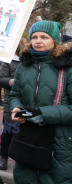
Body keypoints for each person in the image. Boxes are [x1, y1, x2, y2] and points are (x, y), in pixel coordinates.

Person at [9, 20, 72, 183]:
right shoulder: (23, 66)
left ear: (54, 41)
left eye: (44, 37)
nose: (38, 41)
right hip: (27, 136)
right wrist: (16, 109)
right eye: (34, 37)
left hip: (59, 141)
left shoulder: (67, 68)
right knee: (25, 178)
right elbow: (15, 94)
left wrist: (41, 114)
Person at [0, 37, 27, 170]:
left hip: (28, 101)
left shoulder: (29, 61)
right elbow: (0, 79)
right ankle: (4, 157)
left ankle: (21, 159)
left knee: (24, 131)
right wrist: (11, 81)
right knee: (9, 130)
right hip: (11, 102)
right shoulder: (8, 62)